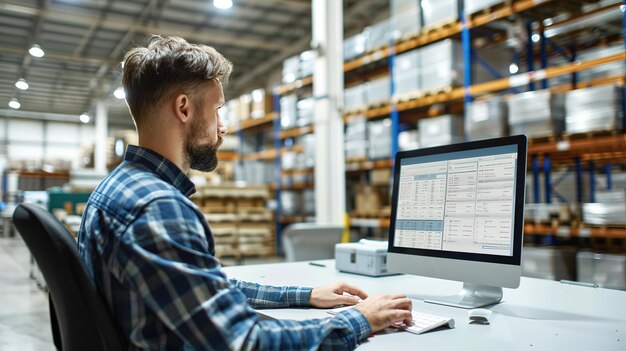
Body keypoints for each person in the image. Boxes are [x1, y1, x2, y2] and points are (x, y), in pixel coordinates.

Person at [78, 35, 412, 350]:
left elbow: (204, 289)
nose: (222, 127)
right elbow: (246, 342)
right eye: (218, 109)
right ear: (184, 109)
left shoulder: (119, 188)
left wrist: (305, 294)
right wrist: (359, 320)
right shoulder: (158, 208)